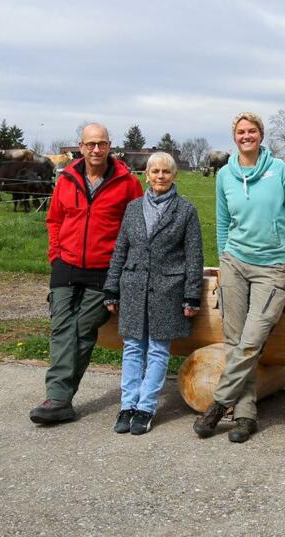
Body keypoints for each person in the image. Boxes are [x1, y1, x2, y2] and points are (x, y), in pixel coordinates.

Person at [193, 112, 285, 443]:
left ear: (260, 134)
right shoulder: (225, 174)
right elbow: (223, 220)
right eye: (241, 132)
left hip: (272, 267)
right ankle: (245, 415)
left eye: (252, 131)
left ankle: (217, 405)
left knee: (252, 340)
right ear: (234, 137)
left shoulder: (279, 170)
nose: (246, 136)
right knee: (234, 341)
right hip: (234, 264)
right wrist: (222, 262)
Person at [30, 123, 143, 424]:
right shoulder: (66, 179)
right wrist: (55, 255)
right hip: (66, 264)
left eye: (101, 144)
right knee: (61, 329)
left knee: (83, 329)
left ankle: (58, 398)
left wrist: (123, 269)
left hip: (104, 269)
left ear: (110, 146)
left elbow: (137, 229)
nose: (96, 149)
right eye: (90, 144)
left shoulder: (127, 182)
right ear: (80, 147)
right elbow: (54, 220)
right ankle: (58, 398)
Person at [103, 152, 203, 435]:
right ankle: (127, 406)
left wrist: (191, 295)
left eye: (166, 172)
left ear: (174, 176)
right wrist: (112, 288)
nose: (160, 176)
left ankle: (146, 408)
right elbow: (121, 249)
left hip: (167, 290)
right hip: (133, 287)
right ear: (146, 175)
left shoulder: (185, 211)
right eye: (155, 171)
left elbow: (194, 256)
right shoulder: (133, 209)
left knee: (158, 350)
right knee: (133, 348)